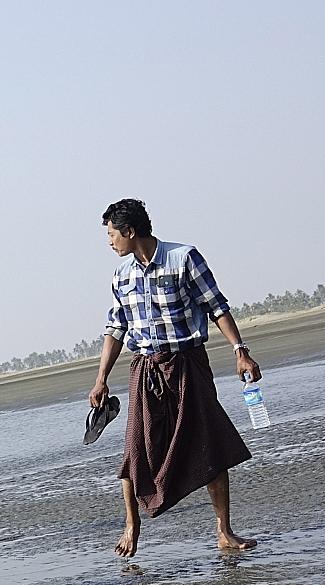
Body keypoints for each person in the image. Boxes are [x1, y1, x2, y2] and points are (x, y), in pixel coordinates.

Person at [89, 199, 261, 558]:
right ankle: (132, 525)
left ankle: (224, 532)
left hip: (187, 364)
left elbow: (217, 306)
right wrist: (101, 378)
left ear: (130, 231)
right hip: (144, 367)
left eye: (112, 234)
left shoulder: (184, 258)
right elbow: (116, 328)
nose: (109, 242)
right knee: (135, 446)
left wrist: (240, 351)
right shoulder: (121, 275)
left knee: (209, 443)